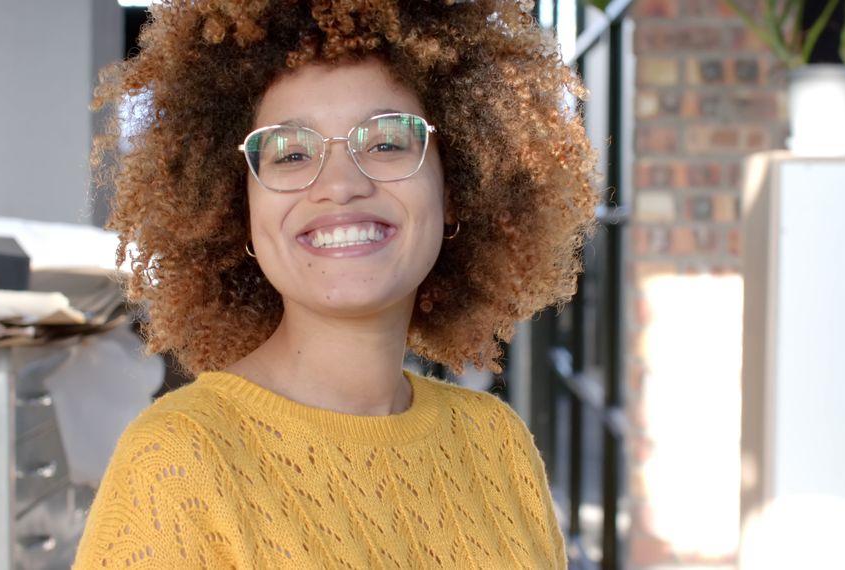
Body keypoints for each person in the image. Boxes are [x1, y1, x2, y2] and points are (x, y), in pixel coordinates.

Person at [73, 0, 597, 567]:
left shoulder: (498, 444)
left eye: (388, 142)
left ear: (454, 191)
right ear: (237, 210)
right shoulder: (178, 464)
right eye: (291, 153)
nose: (341, 184)